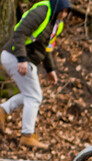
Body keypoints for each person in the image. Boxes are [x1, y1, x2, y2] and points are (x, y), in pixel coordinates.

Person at [0, 0, 71, 149]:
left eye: (66, 12)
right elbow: (19, 32)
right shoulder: (42, 12)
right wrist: (21, 59)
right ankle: (27, 136)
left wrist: (50, 70)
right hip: (14, 55)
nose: (63, 15)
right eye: (62, 11)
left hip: (26, 59)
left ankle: (3, 110)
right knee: (34, 96)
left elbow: (46, 48)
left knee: (31, 95)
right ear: (57, 7)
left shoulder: (57, 24)